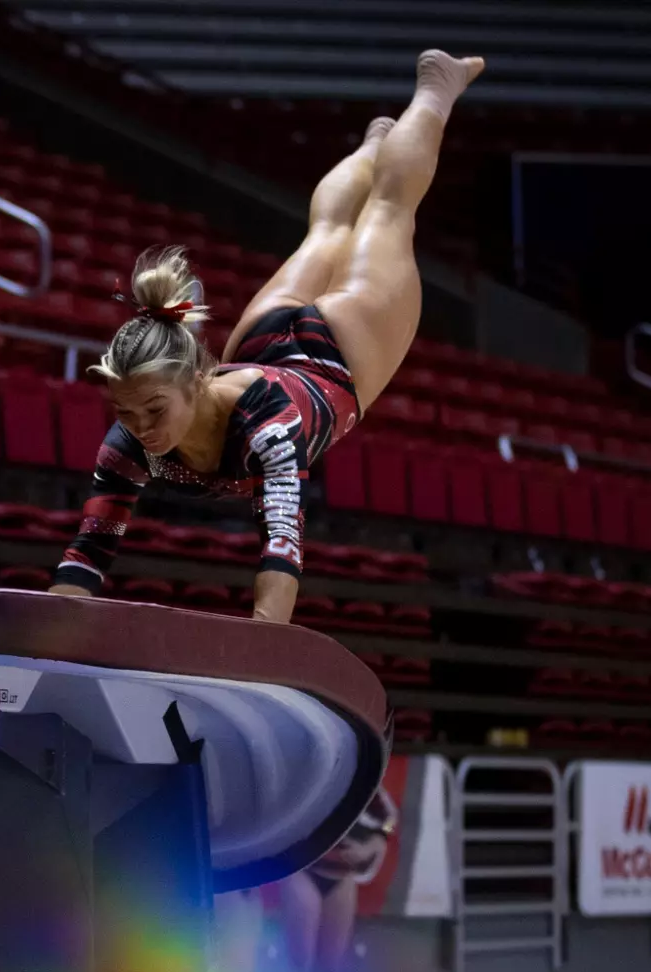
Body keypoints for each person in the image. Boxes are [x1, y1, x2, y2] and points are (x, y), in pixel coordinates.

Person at [51, 51, 486, 624]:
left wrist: (259, 652)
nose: (141, 428)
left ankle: (436, 86)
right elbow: (89, 552)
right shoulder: (128, 440)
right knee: (326, 230)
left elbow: (281, 548)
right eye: (127, 414)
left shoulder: (268, 430)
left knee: (389, 209)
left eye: (154, 410)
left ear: (196, 379)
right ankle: (371, 145)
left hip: (334, 352)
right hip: (262, 347)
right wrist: (43, 635)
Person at [277, 787, 396, 972]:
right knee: (298, 966)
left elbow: (388, 816)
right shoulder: (307, 763)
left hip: (341, 875)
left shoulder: (358, 769)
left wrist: (376, 843)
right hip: (301, 868)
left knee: (329, 970)